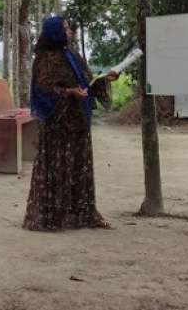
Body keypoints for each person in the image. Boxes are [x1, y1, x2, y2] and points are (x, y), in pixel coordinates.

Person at [23, 16, 119, 231]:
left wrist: (106, 79)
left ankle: (82, 214)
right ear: (55, 32)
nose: (70, 31)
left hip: (78, 121)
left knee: (78, 167)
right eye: (65, 28)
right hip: (58, 125)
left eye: (69, 28)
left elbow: (88, 84)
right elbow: (42, 91)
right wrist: (69, 92)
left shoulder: (74, 56)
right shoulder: (45, 59)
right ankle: (54, 216)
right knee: (59, 168)